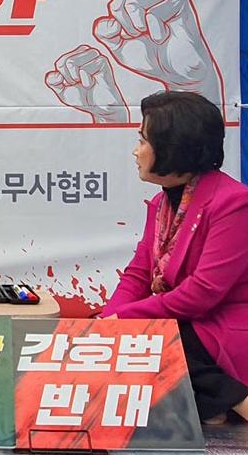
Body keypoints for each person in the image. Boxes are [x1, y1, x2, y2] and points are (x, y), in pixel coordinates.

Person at [101, 90, 248, 424]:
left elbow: (202, 293)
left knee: (156, 339)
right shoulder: (161, 204)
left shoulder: (234, 203)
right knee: (125, 339)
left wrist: (124, 319)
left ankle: (231, 398)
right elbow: (138, 274)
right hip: (189, 322)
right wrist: (108, 320)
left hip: (222, 325)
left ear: (174, 147)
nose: (136, 151)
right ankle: (218, 402)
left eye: (143, 141)